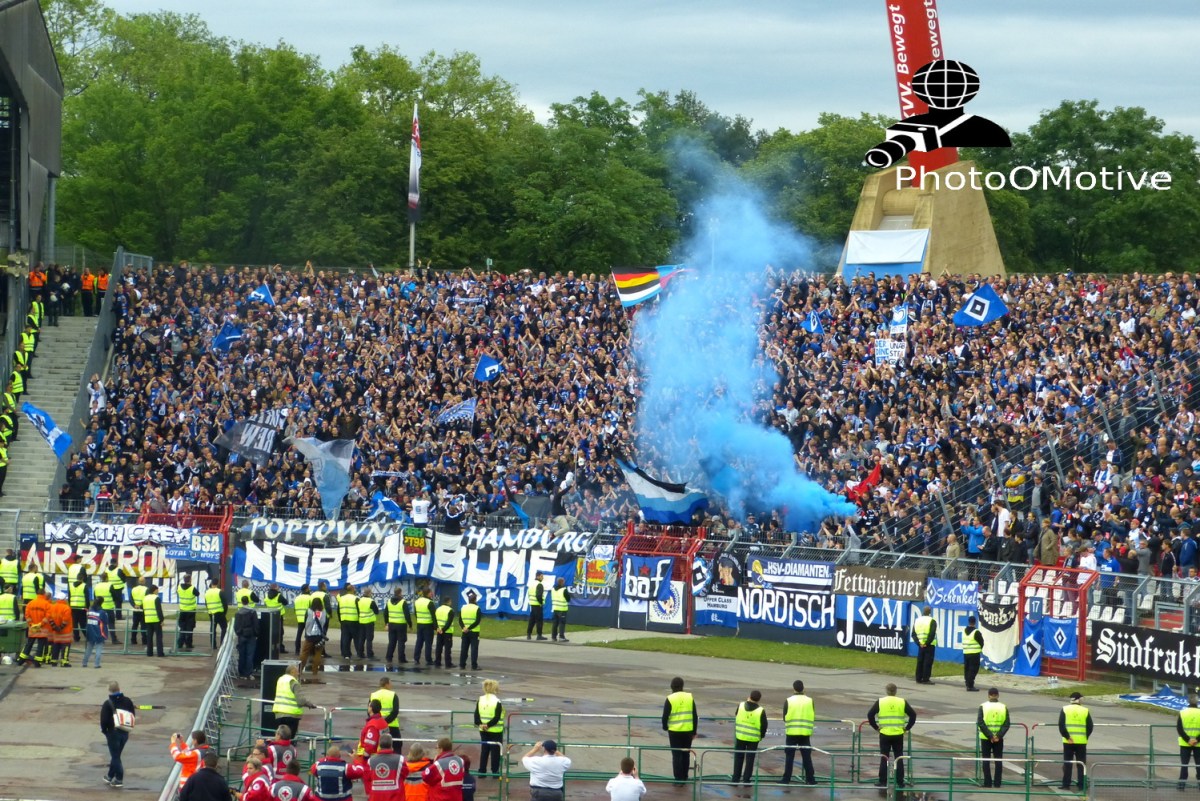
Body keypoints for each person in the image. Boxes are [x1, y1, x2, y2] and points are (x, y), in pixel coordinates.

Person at [867, 683, 917, 788]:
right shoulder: (902, 701)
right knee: (899, 757)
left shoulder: (880, 701)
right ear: (896, 691)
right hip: (898, 734)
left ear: (886, 690)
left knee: (884, 757)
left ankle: (883, 781)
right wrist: (907, 728)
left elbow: (870, 715)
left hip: (884, 734)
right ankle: (900, 782)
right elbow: (913, 715)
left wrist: (876, 727)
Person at [100, 681, 136, 788]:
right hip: (125, 731)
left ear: (109, 690)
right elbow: (132, 715)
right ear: (119, 688)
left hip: (113, 733)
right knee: (116, 755)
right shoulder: (128, 701)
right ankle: (110, 776)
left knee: (115, 756)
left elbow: (104, 721)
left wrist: (105, 731)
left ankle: (119, 779)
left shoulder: (108, 703)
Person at [780, 679, 816, 785]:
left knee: (789, 757)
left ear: (794, 688)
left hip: (792, 732)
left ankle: (786, 779)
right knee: (807, 757)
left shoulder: (789, 700)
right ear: (803, 688)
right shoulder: (810, 700)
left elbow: (784, 717)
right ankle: (810, 779)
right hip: (805, 732)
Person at [662, 676, 697, 782]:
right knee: (686, 754)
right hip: (687, 731)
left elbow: (665, 716)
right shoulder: (689, 697)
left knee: (676, 755)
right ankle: (685, 776)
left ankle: (678, 778)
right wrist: (694, 731)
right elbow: (694, 715)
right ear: (682, 686)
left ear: (672, 687)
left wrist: (665, 727)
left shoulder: (670, 698)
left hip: (674, 731)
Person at [1058, 691, 1093, 791]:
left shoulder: (1065, 709)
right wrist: (1085, 737)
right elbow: (1090, 726)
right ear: (1079, 700)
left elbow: (1061, 725)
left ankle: (1066, 784)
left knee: (1068, 763)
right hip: (1081, 742)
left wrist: (1067, 737)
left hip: (1068, 742)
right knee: (1081, 764)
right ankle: (1081, 785)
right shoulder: (1085, 710)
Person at [732, 690, 767, 785]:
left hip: (740, 736)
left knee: (738, 758)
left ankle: (735, 779)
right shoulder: (760, 710)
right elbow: (764, 726)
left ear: (749, 696)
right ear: (759, 699)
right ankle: (746, 780)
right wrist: (761, 736)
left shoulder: (741, 705)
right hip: (753, 739)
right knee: (750, 760)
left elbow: (736, 715)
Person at [977, 687, 1010, 788]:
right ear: (998, 695)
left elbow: (980, 723)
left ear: (988, 695)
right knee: (998, 760)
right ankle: (997, 783)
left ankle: (987, 783)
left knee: (986, 760)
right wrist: (998, 736)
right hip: (999, 738)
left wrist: (990, 736)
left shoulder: (983, 706)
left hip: (985, 737)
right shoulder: (1003, 707)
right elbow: (1006, 724)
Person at [272, 663, 315, 737]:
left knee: (281, 737)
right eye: (297, 671)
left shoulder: (280, 680)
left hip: (279, 714)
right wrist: (309, 704)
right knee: (290, 738)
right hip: (291, 715)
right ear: (292, 672)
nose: (298, 674)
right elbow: (301, 701)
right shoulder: (293, 682)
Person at [474, 678, 505, 777]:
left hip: (483, 730)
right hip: (495, 730)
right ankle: (495, 771)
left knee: (484, 750)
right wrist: (488, 725)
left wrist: (481, 724)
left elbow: (476, 715)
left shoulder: (480, 699)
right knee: (495, 752)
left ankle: (482, 771)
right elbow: (497, 717)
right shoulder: (497, 701)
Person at [422, 736, 468, 801]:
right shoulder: (461, 761)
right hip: (456, 798)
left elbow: (425, 776)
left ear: (441, 749)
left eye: (437, 748)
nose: (436, 750)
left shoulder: (439, 763)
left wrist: (435, 762)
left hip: (441, 797)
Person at [17, 586, 51, 666]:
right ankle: (37, 662)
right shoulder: (47, 604)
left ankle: (21, 660)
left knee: (29, 644)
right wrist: (40, 624)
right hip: (42, 628)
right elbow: (48, 616)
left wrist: (32, 624)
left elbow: (27, 615)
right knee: (40, 646)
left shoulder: (30, 603)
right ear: (44, 594)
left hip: (33, 627)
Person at [299, 595, 328, 682]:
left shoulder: (309, 611)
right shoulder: (324, 612)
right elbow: (325, 623)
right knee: (318, 654)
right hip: (319, 636)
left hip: (309, 636)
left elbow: (305, 621)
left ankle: (300, 669)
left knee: (305, 653)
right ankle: (315, 671)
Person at [1178, 695, 1200, 790]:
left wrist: (1188, 740)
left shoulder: (1182, 712)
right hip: (1198, 744)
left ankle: (1181, 785)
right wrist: (1197, 740)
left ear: (1188, 701)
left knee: (1184, 764)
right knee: (1199, 765)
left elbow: (1179, 729)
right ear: (1197, 702)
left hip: (1185, 743)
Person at [384, 586, 411, 664]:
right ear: (400, 593)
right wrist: (410, 624)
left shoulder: (389, 601)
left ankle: (389, 657)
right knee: (401, 642)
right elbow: (407, 614)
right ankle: (401, 658)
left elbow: (385, 613)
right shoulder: (403, 602)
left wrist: (386, 623)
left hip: (391, 624)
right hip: (401, 624)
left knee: (391, 642)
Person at [234, 594, 259, 679]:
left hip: (241, 636)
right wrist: (256, 634)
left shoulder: (238, 613)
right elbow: (256, 624)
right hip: (251, 635)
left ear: (242, 602)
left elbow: (236, 626)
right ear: (248, 602)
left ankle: (241, 673)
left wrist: (239, 633)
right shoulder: (252, 612)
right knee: (250, 655)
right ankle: (248, 673)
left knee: (241, 654)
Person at [912, 604, 937, 684]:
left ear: (923, 612)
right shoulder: (932, 621)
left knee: (920, 661)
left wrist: (919, 643)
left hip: (920, 645)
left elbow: (913, 634)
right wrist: (927, 643)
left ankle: (918, 678)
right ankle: (925, 679)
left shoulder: (917, 620)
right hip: (929, 645)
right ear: (930, 612)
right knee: (928, 662)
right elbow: (932, 634)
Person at [372, 676, 402, 742]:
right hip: (392, 725)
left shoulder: (373, 695)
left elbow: (370, 711)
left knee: (378, 743)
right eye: (390, 683)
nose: (391, 685)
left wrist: (377, 721)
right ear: (386, 684)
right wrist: (385, 722)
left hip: (377, 724)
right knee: (397, 744)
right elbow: (395, 711)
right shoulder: (393, 695)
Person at [47, 594, 74, 666]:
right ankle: (64, 662)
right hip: (65, 632)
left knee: (55, 646)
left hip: (55, 632)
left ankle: (54, 661)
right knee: (66, 646)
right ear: (64, 599)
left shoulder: (52, 607)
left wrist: (55, 627)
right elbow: (66, 620)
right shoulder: (66, 608)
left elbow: (49, 618)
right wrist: (60, 628)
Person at [459, 590, 482, 670]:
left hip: (464, 631)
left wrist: (464, 627)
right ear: (475, 600)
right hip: (474, 632)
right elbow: (477, 621)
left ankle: (462, 664)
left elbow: (460, 620)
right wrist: (469, 628)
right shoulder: (477, 608)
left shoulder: (463, 607)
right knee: (474, 649)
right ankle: (474, 665)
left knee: (464, 649)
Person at [82, 597, 108, 668]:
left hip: (90, 631)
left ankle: (84, 662)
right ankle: (96, 664)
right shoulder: (102, 612)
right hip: (99, 631)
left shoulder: (90, 610)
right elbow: (106, 621)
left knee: (89, 648)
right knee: (99, 648)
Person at [413, 588, 436, 665]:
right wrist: (436, 627)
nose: (432, 594)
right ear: (428, 593)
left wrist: (419, 619)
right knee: (428, 644)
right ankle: (428, 659)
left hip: (420, 624)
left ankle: (416, 658)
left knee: (419, 642)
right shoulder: (430, 603)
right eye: (431, 593)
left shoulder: (417, 601)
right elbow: (434, 616)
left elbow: (415, 613)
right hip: (428, 625)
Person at [264, 583, 288, 654]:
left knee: (270, 632)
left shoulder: (267, 595)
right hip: (279, 616)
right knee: (280, 632)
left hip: (270, 615)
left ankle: (269, 647)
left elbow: (265, 603)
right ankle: (280, 648)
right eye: (278, 587)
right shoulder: (278, 595)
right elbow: (286, 602)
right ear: (276, 588)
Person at [962, 615, 984, 691]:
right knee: (973, 669)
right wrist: (979, 648)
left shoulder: (964, 631)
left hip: (966, 653)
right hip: (974, 653)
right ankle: (970, 685)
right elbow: (981, 642)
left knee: (967, 669)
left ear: (968, 622)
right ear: (975, 622)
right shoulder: (976, 632)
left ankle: (967, 683)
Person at [204, 578, 228, 648]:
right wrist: (224, 613)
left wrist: (209, 610)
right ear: (217, 583)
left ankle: (213, 645)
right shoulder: (219, 591)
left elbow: (206, 603)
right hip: (219, 612)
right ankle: (222, 644)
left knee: (212, 629)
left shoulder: (207, 592)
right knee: (224, 628)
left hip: (211, 613)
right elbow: (225, 604)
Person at [177, 574, 198, 651]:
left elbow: (178, 592)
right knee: (190, 628)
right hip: (191, 611)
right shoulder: (192, 588)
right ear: (190, 580)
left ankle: (180, 643)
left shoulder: (179, 587)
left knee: (182, 627)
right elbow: (197, 594)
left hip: (182, 610)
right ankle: (188, 643)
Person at [143, 583, 165, 657]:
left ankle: (149, 653)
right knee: (159, 637)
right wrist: (162, 620)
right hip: (156, 620)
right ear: (154, 590)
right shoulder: (156, 598)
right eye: (157, 590)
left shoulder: (145, 598)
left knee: (149, 637)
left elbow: (143, 608)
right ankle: (160, 653)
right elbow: (159, 610)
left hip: (148, 619)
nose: (158, 591)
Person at [68, 568, 90, 642]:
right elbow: (87, 598)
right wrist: (87, 607)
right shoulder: (84, 586)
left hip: (73, 607)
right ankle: (87, 636)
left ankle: (76, 637)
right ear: (83, 578)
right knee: (83, 623)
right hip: (81, 607)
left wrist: (69, 606)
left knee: (75, 624)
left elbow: (69, 597)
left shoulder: (71, 586)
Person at [339, 584, 360, 659]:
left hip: (344, 620)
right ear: (352, 590)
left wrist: (341, 619)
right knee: (357, 638)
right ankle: (359, 653)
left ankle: (346, 654)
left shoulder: (341, 598)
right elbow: (359, 610)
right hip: (354, 620)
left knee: (346, 638)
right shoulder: (356, 598)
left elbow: (338, 610)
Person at [290, 584, 311, 655]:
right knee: (308, 636)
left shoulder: (297, 598)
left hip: (299, 618)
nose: (310, 589)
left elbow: (295, 609)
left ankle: (297, 650)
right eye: (309, 588)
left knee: (298, 634)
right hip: (308, 618)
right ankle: (307, 650)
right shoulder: (310, 597)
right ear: (306, 589)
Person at [434, 595, 455, 668]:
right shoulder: (450, 610)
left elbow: (435, 620)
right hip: (447, 632)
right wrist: (443, 630)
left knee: (439, 647)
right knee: (447, 648)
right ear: (449, 602)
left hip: (439, 631)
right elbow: (449, 622)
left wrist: (437, 628)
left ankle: (437, 662)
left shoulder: (438, 609)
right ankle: (448, 663)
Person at [357, 588, 378, 659]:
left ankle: (360, 653)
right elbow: (376, 611)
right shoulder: (371, 601)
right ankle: (369, 654)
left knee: (361, 638)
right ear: (369, 593)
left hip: (361, 621)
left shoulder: (359, 600)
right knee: (369, 639)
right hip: (369, 621)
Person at [527, 571, 547, 640]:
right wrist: (541, 603)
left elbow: (529, 593)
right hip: (538, 605)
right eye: (541, 576)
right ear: (537, 576)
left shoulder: (532, 584)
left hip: (532, 604)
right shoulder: (539, 585)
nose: (542, 577)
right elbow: (538, 595)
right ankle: (539, 635)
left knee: (532, 620)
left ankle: (528, 634)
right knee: (539, 620)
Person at [550, 577, 570, 642]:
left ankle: (553, 637)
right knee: (562, 623)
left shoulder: (553, 589)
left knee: (555, 623)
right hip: (562, 609)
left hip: (555, 608)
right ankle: (561, 637)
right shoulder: (564, 590)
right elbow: (568, 599)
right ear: (562, 582)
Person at [130, 577, 148, 646]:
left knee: (135, 625)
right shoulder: (146, 589)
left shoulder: (133, 589)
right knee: (143, 626)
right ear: (144, 581)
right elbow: (147, 599)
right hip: (143, 610)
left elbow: (130, 599)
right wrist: (141, 606)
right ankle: (144, 640)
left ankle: (133, 640)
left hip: (135, 610)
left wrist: (134, 605)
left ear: (138, 581)